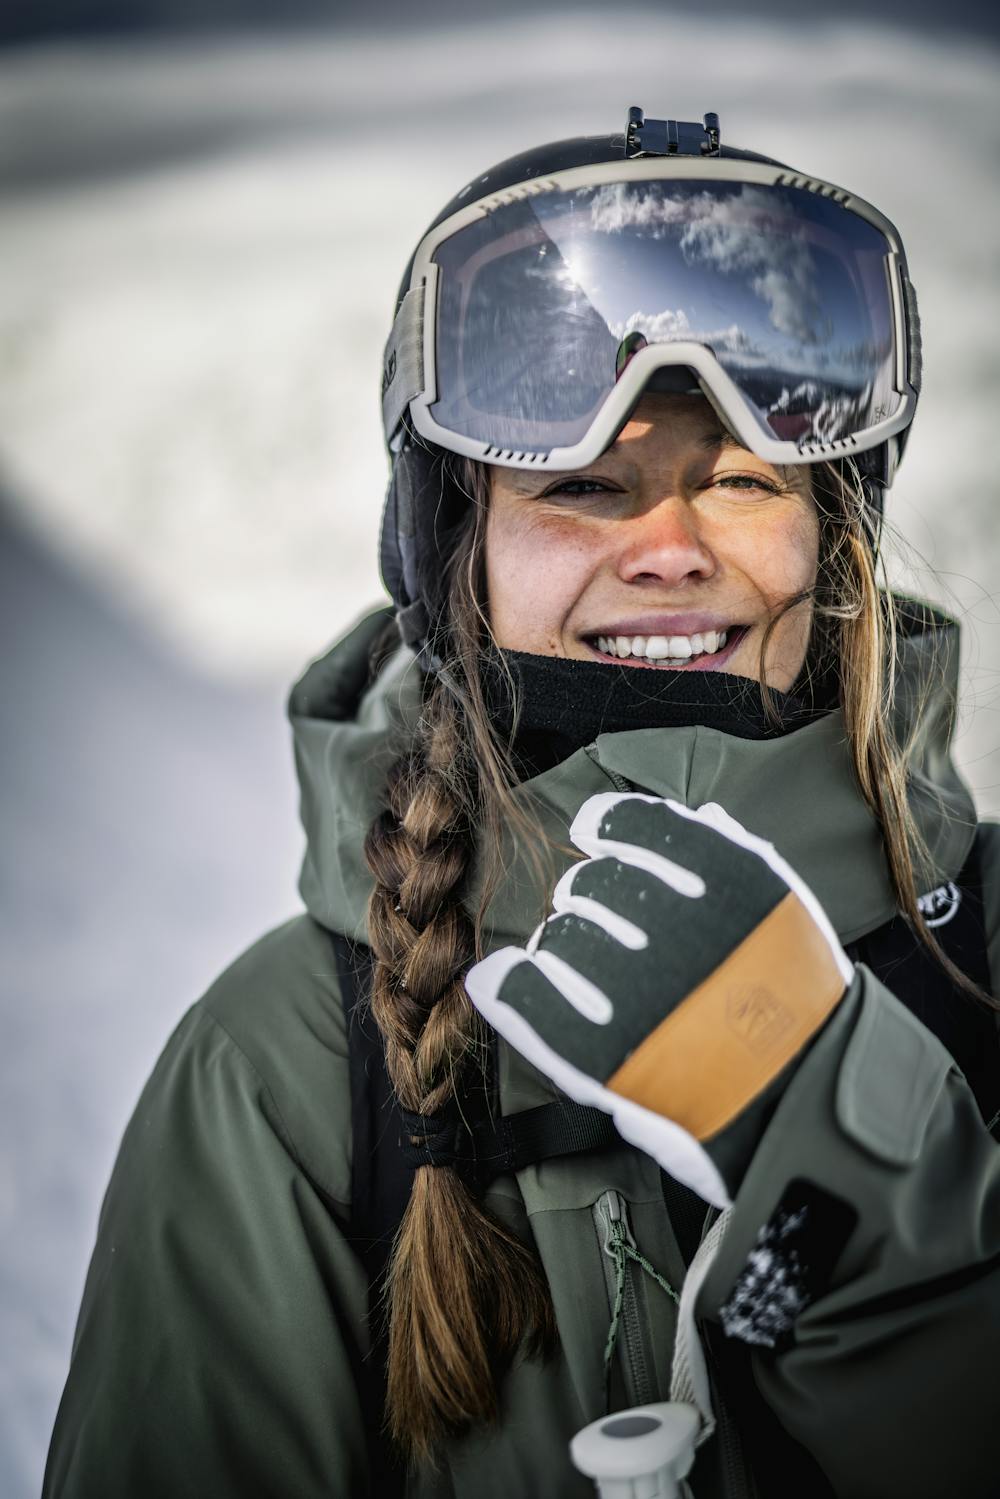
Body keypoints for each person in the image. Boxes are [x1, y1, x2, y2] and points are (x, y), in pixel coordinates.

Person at [43, 109, 1000, 1499]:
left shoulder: (984, 968)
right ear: (461, 561)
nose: (669, 549)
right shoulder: (286, 1065)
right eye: (582, 488)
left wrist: (850, 1165)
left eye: (744, 481)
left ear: (832, 543)